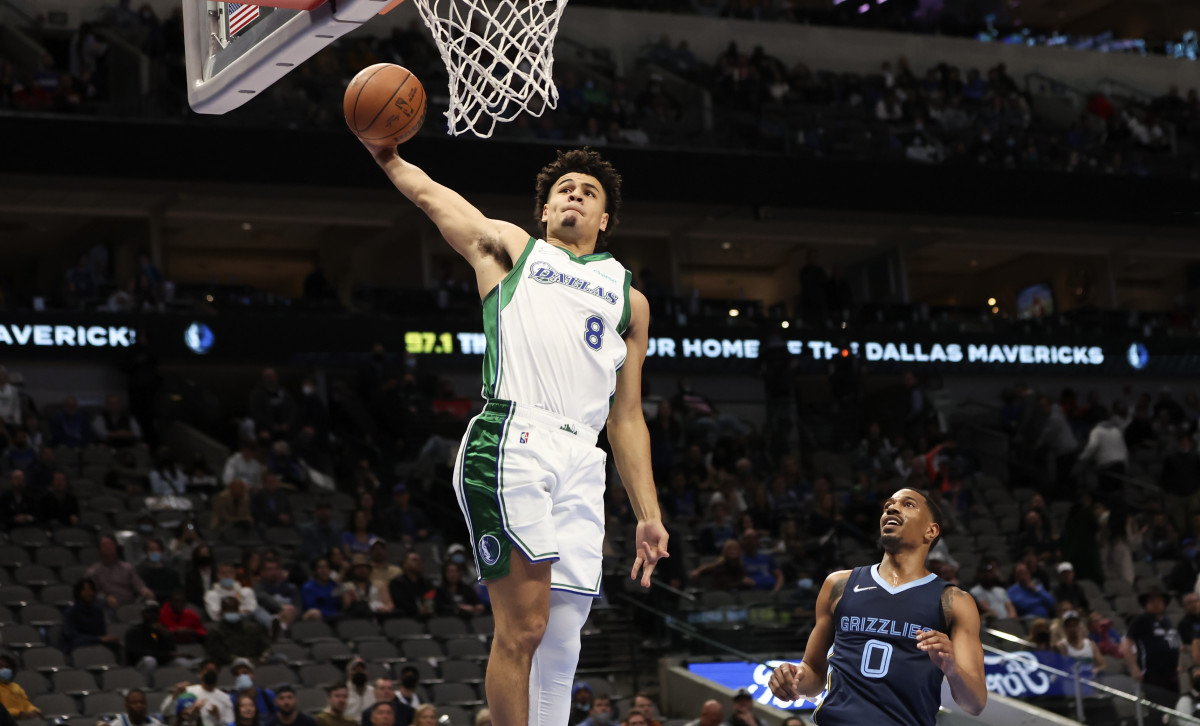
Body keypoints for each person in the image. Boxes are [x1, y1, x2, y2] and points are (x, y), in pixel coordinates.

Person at [360, 142, 667, 726]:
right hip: (513, 437)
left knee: (564, 639)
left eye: (589, 191)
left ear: (604, 219)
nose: (575, 195)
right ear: (545, 210)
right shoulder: (513, 249)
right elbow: (433, 198)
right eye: (564, 189)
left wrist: (647, 513)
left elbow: (626, 417)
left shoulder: (630, 300)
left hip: (583, 456)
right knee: (524, 627)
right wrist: (388, 157)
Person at [768, 488, 986, 723]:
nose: (892, 508)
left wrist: (952, 667)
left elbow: (975, 703)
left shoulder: (954, 601)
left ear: (931, 531)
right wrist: (794, 678)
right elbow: (813, 670)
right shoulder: (839, 584)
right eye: (888, 505)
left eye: (908, 504)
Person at [1123, 585, 1182, 710]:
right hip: (1153, 674)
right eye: (1152, 601)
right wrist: (1134, 669)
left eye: (1160, 600)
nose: (1157, 604)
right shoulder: (1141, 620)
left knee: (1174, 708)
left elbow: (1174, 644)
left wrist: (1178, 665)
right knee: (1157, 709)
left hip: (1171, 673)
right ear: (1146, 604)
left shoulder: (1167, 621)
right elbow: (1126, 645)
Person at [160, 659, 236, 726]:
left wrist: (217, 717)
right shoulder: (187, 691)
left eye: (214, 670)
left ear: (218, 673)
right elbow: (165, 712)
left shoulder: (225, 698)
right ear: (200, 673)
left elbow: (230, 723)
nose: (211, 673)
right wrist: (175, 694)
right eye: (207, 669)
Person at [205, 596, 272, 666]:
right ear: (221, 612)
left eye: (234, 610)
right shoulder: (215, 631)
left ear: (238, 610)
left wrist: (263, 657)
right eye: (228, 610)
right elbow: (216, 652)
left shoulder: (252, 628)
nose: (232, 612)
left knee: (278, 658)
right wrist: (237, 660)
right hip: (228, 665)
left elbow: (265, 647)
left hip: (254, 662)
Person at [64, 577, 121, 651]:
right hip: (77, 643)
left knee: (113, 643)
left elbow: (102, 633)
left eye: (90, 589)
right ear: (77, 592)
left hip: (96, 641)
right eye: (84, 590)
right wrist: (97, 639)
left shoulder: (97, 610)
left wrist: (106, 638)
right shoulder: (71, 611)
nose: (88, 593)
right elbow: (71, 635)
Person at [125, 600, 181, 672]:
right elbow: (139, 654)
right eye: (149, 612)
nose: (153, 615)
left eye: (155, 612)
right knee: (149, 661)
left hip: (161, 661)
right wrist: (167, 654)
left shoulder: (161, 630)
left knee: (182, 662)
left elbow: (172, 651)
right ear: (142, 613)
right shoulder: (134, 632)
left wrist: (167, 636)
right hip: (138, 666)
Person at [1055, 610, 1105, 675]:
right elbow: (1062, 668)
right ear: (1065, 628)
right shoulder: (1061, 646)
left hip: (1089, 678)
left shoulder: (1091, 644)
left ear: (1079, 625)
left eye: (1075, 625)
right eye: (1069, 626)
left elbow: (1103, 665)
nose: (1072, 628)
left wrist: (1096, 670)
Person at [387, 552, 435, 619]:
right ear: (404, 564)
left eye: (420, 560)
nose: (418, 563)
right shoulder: (396, 583)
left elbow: (431, 598)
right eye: (414, 560)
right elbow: (400, 603)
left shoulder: (426, 583)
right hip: (405, 618)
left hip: (427, 617)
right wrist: (417, 609)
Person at [139, 538, 184, 603]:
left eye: (157, 549)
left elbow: (176, 591)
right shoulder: (139, 571)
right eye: (151, 550)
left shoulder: (171, 571)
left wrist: (155, 594)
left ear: (162, 551)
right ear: (146, 552)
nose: (155, 552)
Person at [0, 654, 40, 719]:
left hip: (23, 719)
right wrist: (19, 713)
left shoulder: (16, 687)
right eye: (1, 667)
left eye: (7, 667)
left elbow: (26, 704)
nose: (4, 670)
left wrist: (34, 710)